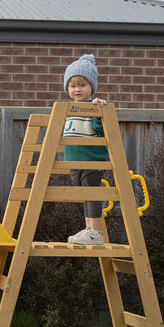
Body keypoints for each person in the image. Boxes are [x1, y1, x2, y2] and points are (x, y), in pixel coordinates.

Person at [62, 54, 108, 244]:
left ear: (91, 88)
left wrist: (99, 110)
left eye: (82, 85)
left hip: (92, 159)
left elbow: (100, 128)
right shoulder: (68, 109)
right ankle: (89, 228)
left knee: (92, 192)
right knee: (84, 194)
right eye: (72, 86)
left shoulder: (94, 107)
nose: (77, 89)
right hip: (74, 160)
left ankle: (95, 230)